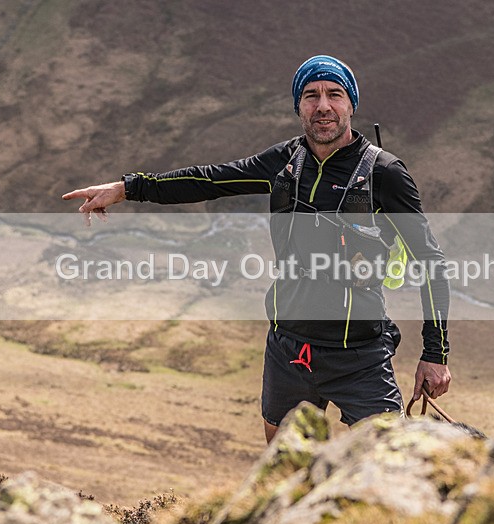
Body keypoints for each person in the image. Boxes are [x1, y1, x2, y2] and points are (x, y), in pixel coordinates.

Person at [63, 55, 451, 443]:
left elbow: (430, 261)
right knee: (283, 471)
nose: (323, 106)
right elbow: (209, 181)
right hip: (289, 350)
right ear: (298, 106)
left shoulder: (385, 173)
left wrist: (435, 354)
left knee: (384, 468)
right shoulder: (284, 162)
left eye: (335, 94)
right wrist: (128, 188)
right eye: (311, 95)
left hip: (360, 354)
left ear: (351, 104)